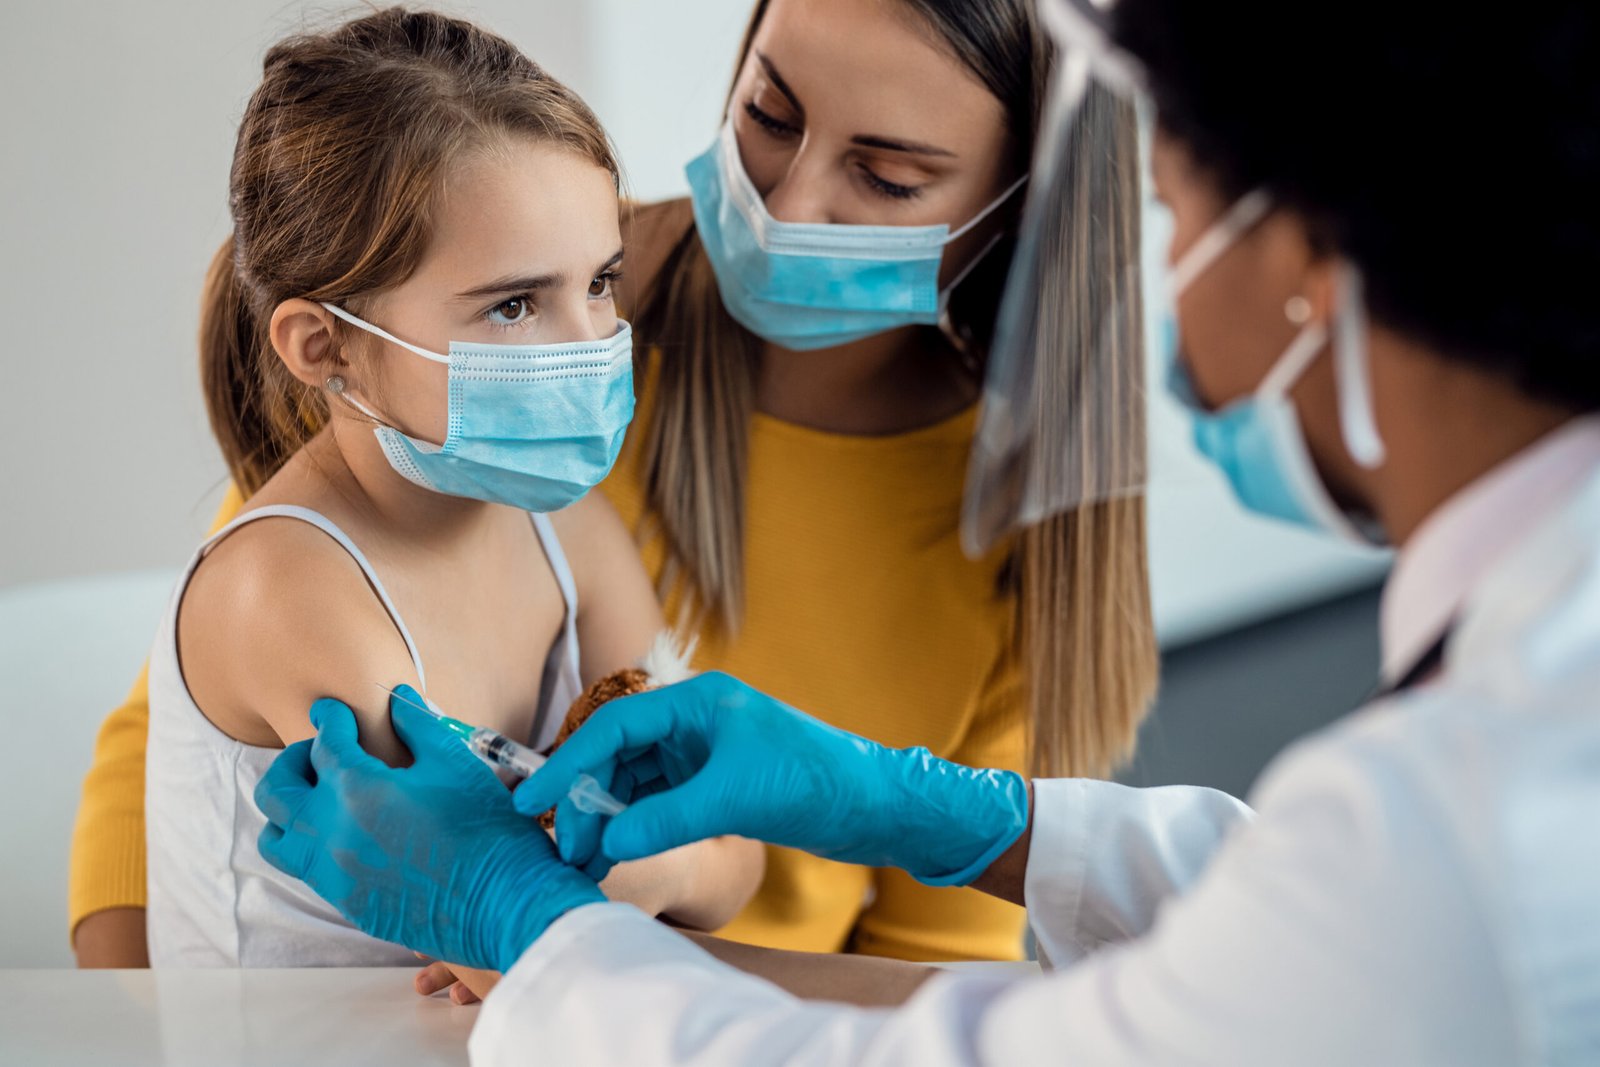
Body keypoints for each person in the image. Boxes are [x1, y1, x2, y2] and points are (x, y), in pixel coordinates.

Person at [255, 0, 1599, 1061]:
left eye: (1174, 214)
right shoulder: (1507, 729)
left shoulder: (1456, 825)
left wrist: (529, 923)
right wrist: (936, 808)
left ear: (1306, 257)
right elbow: (1307, 905)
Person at [70, 0, 1158, 973]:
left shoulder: (574, 487)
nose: (787, 199)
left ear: (1017, 207)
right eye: (771, 116)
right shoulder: (480, 269)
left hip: (728, 1012)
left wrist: (651, 902)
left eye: (887, 175)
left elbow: (931, 960)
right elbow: (183, 725)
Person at [140, 8, 762, 971]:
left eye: (598, 283)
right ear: (326, 346)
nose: (588, 344)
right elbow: (493, 931)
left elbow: (731, 859)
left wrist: (660, 870)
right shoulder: (286, 588)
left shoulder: (572, 534)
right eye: (515, 305)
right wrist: (652, 864)